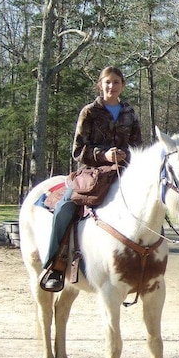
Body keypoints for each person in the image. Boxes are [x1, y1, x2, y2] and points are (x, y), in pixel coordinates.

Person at [40, 66, 142, 292]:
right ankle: (55, 266)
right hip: (91, 173)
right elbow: (78, 150)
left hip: (124, 173)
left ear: (122, 85)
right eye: (107, 82)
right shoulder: (89, 112)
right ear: (100, 85)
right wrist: (103, 155)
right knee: (65, 207)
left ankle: (144, 266)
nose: (111, 86)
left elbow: (137, 145)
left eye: (116, 82)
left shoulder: (129, 113)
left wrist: (128, 155)